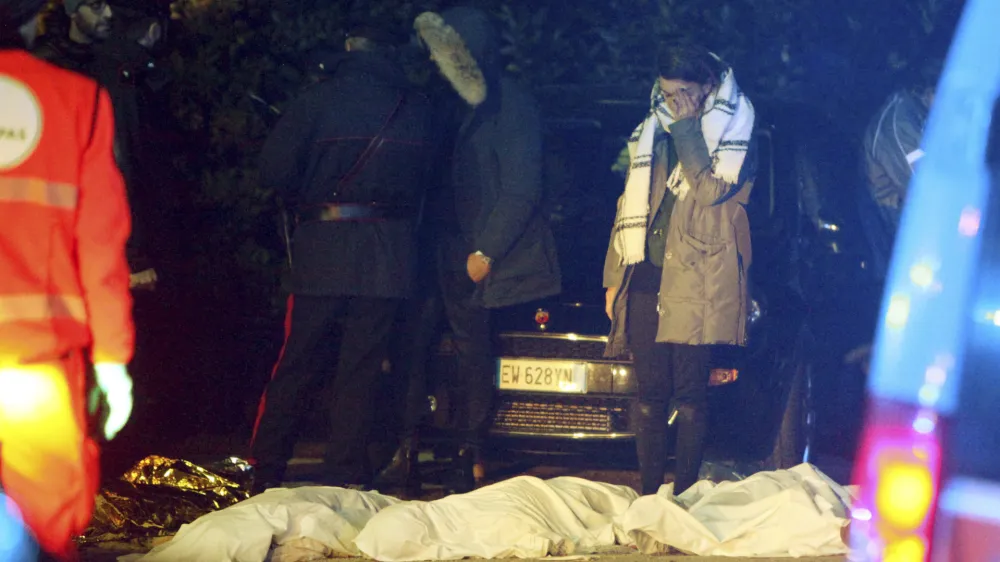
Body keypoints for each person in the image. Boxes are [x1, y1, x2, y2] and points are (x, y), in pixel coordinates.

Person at [375, 6, 562, 494]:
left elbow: (522, 186)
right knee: (413, 346)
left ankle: (469, 453)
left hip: (470, 250)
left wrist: (487, 252)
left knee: (472, 352)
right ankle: (406, 445)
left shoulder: (510, 105)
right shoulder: (440, 102)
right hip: (430, 243)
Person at [248, 22, 436, 494]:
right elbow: (432, 179)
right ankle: (344, 473)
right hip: (389, 253)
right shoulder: (417, 107)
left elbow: (272, 170)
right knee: (362, 368)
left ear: (349, 45)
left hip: (323, 249)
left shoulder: (318, 99)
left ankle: (268, 467)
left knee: (299, 361)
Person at [0, 0, 135, 558]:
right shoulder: (76, 99)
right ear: (34, 18)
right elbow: (100, 243)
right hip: (34, 367)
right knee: (44, 527)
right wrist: (111, 359)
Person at [603, 40, 756, 496]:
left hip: (699, 279)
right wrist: (615, 279)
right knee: (648, 396)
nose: (674, 103)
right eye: (668, 94)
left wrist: (688, 128)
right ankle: (649, 496)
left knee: (689, 398)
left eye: (684, 94)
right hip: (647, 276)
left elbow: (710, 192)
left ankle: (686, 496)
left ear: (709, 86)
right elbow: (629, 204)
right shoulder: (655, 128)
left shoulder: (734, 134)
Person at [34, 0, 163, 290]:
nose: (108, 13)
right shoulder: (47, 67)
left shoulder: (113, 68)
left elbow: (128, 160)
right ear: (72, 11)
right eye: (95, 5)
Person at [860, 79, 936, 280]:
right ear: (929, 91)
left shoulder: (917, 113)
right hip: (899, 211)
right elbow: (918, 183)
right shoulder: (899, 124)